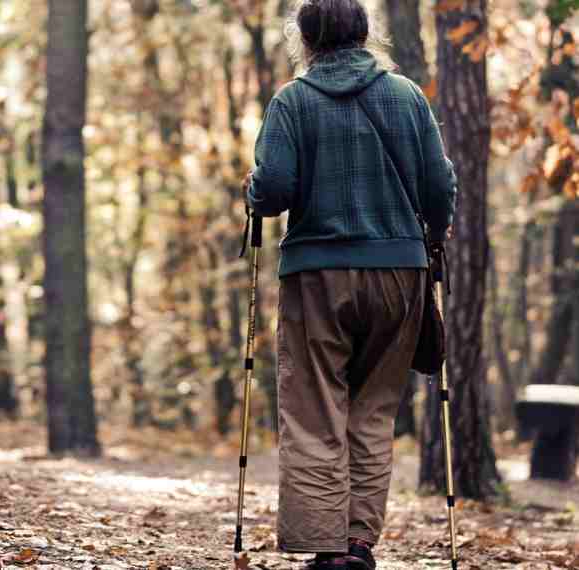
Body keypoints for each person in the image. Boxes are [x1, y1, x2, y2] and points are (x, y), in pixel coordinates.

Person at [243, 1, 457, 569]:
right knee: (373, 411)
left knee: (315, 411)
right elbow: (440, 185)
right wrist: (433, 233)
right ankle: (359, 543)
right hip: (399, 273)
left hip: (317, 275)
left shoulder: (292, 101)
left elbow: (273, 193)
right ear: (366, 35)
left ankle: (325, 545)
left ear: (305, 40)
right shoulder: (407, 95)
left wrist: (253, 189)